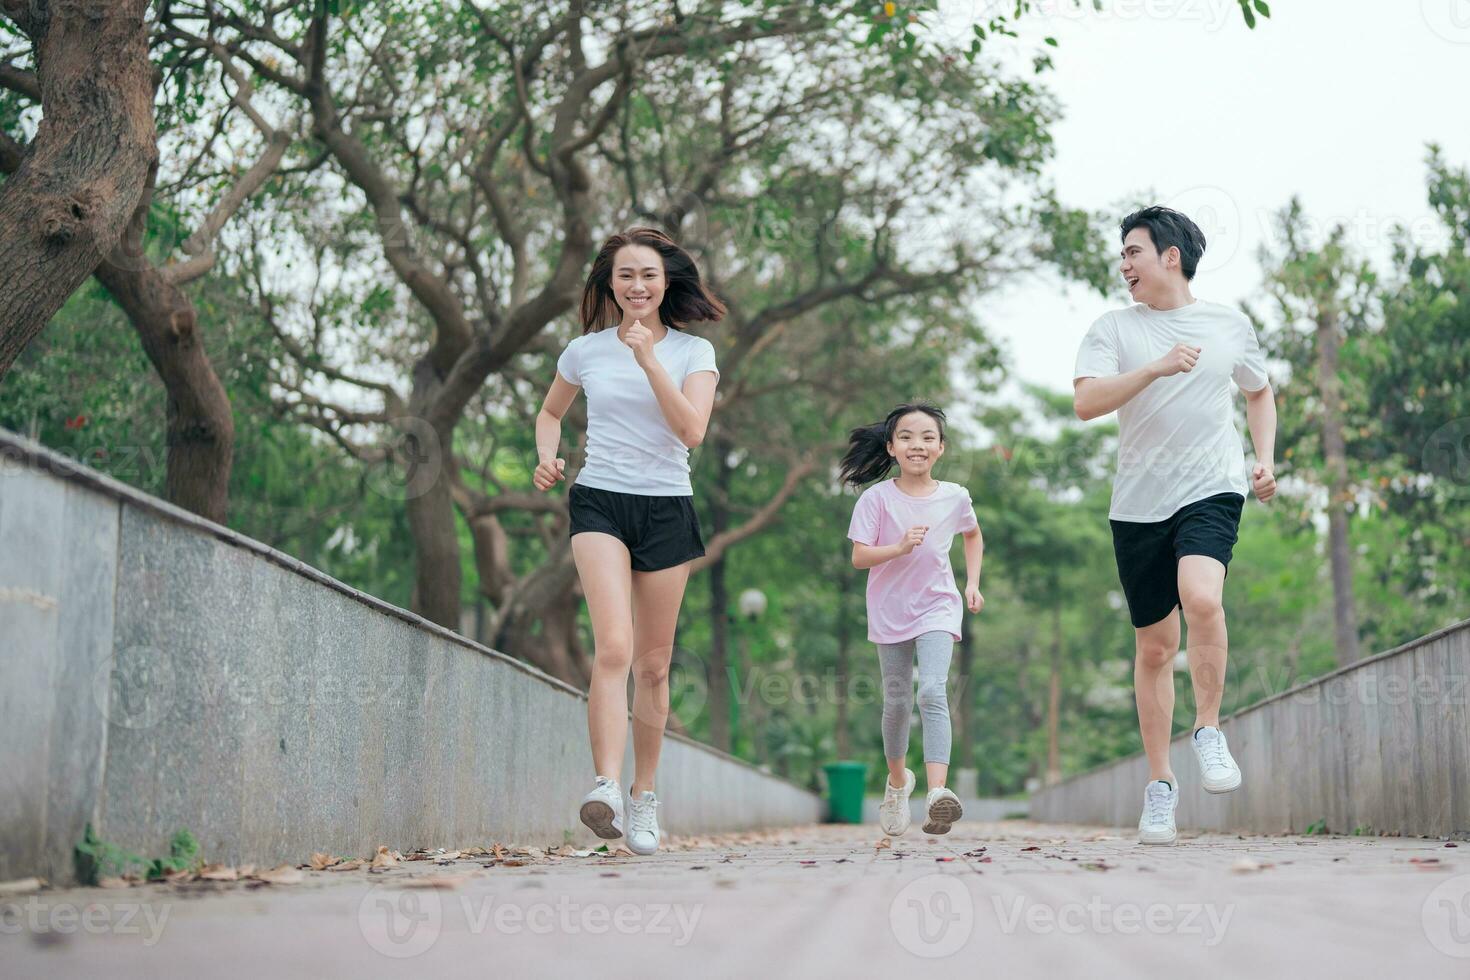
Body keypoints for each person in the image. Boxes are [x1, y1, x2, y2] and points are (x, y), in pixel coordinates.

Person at [1072, 206, 1277, 846]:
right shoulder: (1113, 329)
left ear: (1170, 256)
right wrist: (1155, 367)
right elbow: (1085, 403)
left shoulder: (1228, 325)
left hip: (1212, 487)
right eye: (1121, 254)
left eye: (1133, 251)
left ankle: (1209, 729)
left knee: (1204, 596)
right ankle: (1161, 785)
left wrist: (1264, 461)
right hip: (1137, 505)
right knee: (1156, 649)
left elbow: (1259, 391)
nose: (1123, 264)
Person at [533, 227, 725, 855]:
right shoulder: (584, 351)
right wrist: (547, 456)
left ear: (666, 281)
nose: (636, 286)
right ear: (608, 284)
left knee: (653, 663)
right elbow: (550, 412)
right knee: (613, 646)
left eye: (647, 274)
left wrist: (647, 358)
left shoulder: (695, 353)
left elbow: (691, 430)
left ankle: (645, 796)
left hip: (667, 508)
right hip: (600, 501)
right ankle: (606, 787)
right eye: (624, 276)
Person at [841, 403, 984, 837]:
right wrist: (899, 548)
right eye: (905, 436)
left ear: (940, 448)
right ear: (891, 447)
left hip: (938, 605)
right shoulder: (876, 499)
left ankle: (938, 793)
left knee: (934, 692)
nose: (916, 444)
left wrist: (972, 583)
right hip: (889, 609)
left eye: (926, 437)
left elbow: (973, 534)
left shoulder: (955, 496)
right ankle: (899, 783)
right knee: (898, 701)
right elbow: (859, 556)